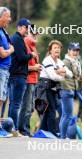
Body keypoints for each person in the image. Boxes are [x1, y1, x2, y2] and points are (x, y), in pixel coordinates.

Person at [8, 18, 37, 132]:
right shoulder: (18, 39)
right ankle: (14, 128)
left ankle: (10, 128)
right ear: (19, 27)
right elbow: (21, 57)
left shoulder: (17, 38)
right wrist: (31, 55)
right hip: (18, 75)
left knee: (13, 104)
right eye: (26, 28)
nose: (27, 30)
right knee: (16, 104)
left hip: (15, 74)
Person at [38, 40, 72, 136]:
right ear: (50, 50)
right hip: (45, 88)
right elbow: (53, 76)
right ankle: (52, 132)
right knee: (51, 110)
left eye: (58, 48)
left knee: (48, 110)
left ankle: (42, 131)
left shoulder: (60, 62)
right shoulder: (47, 60)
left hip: (53, 88)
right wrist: (62, 76)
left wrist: (61, 71)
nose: (57, 49)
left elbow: (70, 74)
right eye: (55, 48)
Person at [18, 25, 41, 136]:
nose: (35, 36)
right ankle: (22, 130)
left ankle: (25, 129)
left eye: (37, 33)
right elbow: (21, 65)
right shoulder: (26, 44)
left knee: (31, 107)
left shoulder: (33, 46)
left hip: (34, 80)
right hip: (27, 79)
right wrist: (34, 68)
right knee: (26, 106)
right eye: (33, 33)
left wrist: (37, 67)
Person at [59, 42, 82, 139]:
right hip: (67, 90)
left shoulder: (75, 62)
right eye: (73, 50)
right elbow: (63, 77)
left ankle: (62, 136)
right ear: (68, 51)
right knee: (68, 115)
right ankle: (63, 137)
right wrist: (70, 90)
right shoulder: (66, 61)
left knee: (65, 115)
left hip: (71, 89)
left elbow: (77, 77)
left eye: (77, 50)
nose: (75, 52)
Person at [0, 7, 14, 137]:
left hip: (5, 70)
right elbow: (3, 53)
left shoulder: (3, 32)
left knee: (2, 99)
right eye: (7, 16)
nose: (9, 19)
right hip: (1, 69)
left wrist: (9, 49)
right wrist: (11, 50)